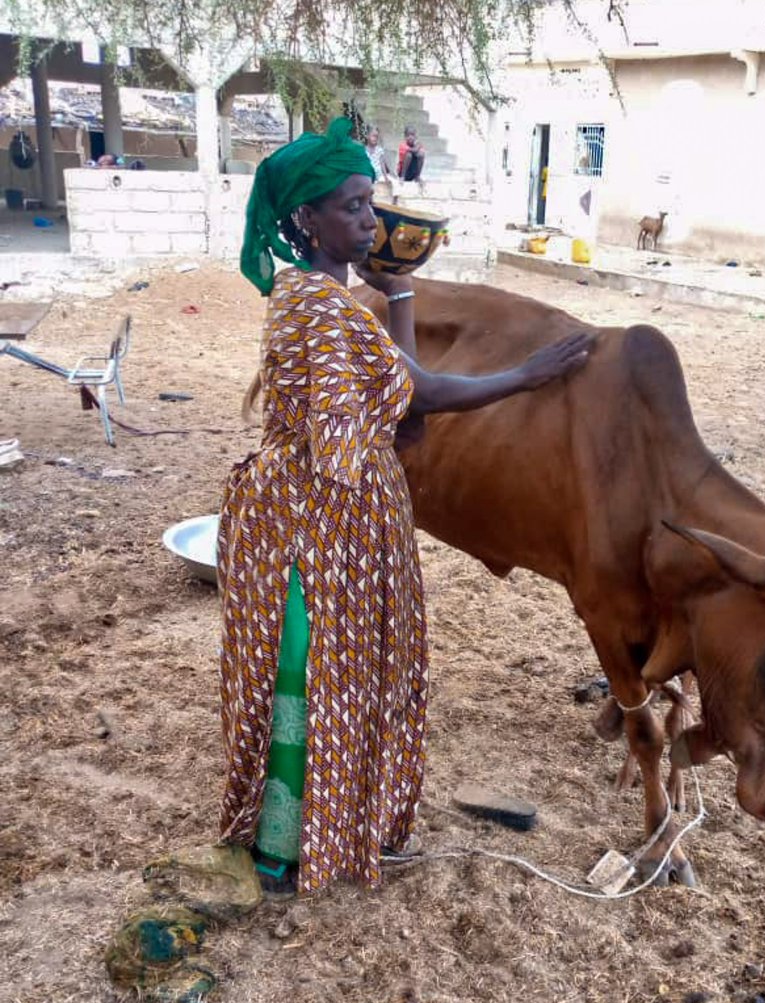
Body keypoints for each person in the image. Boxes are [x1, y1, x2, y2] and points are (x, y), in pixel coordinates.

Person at [226, 116, 592, 898]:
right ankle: (286, 848)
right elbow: (424, 395)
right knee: (314, 673)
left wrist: (399, 294)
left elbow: (399, 400)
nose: (371, 218)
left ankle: (333, 826)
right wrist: (530, 374)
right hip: (315, 520)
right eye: (354, 205)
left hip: (352, 509)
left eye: (372, 202)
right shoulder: (314, 308)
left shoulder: (334, 298)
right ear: (305, 219)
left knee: (350, 673)